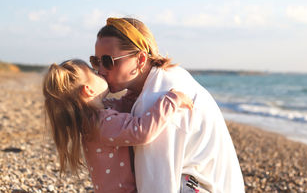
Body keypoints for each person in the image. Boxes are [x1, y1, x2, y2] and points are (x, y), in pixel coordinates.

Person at [90, 17, 245, 193]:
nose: (100, 70)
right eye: (96, 61)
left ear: (140, 60)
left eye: (108, 61)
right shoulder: (171, 75)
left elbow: (156, 186)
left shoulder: (155, 101)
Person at [42, 59, 193, 193]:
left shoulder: (96, 116)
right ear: (88, 90)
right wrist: (171, 101)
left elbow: (125, 105)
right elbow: (141, 131)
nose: (101, 72)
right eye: (95, 72)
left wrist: (136, 87)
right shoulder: (101, 123)